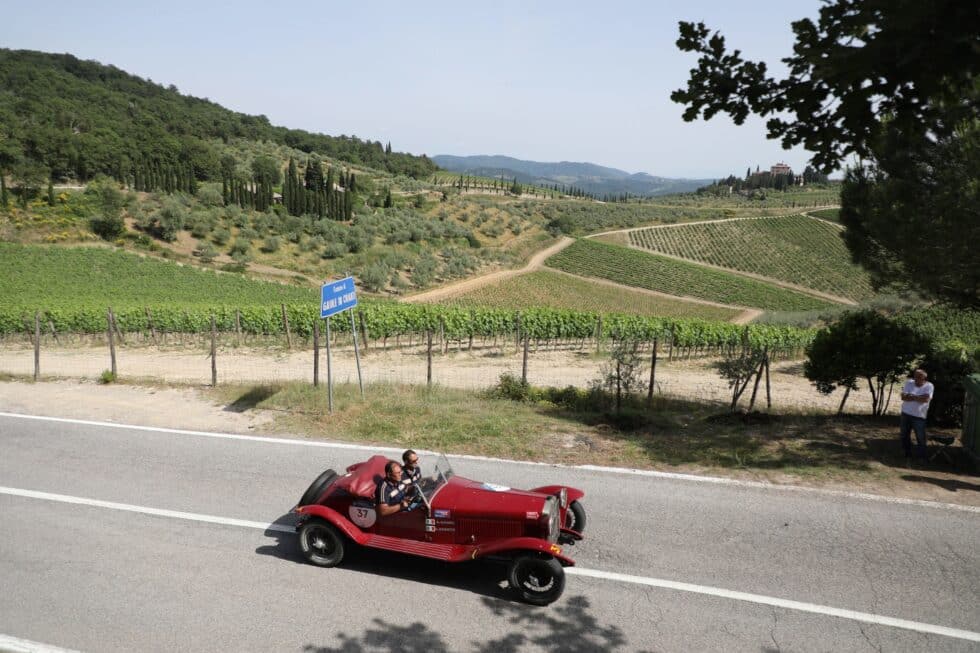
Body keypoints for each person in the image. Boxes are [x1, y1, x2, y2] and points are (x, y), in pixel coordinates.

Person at [900, 368, 934, 462]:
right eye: (915, 375)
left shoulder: (929, 386)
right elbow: (903, 397)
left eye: (919, 376)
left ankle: (921, 457)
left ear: (924, 378)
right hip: (906, 413)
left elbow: (926, 399)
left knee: (920, 437)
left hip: (919, 416)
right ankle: (907, 453)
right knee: (904, 435)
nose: (916, 378)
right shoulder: (909, 382)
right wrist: (918, 397)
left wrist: (912, 396)